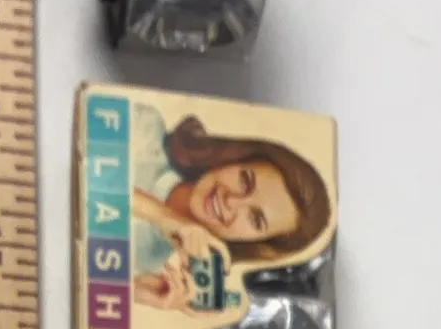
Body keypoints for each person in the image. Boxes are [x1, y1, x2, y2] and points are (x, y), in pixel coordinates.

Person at [130, 106, 332, 313]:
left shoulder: (154, 264)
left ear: (253, 243)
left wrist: (134, 291)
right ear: (235, 159)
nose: (231, 201)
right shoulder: (146, 130)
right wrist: (163, 217)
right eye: (245, 180)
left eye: (255, 219)